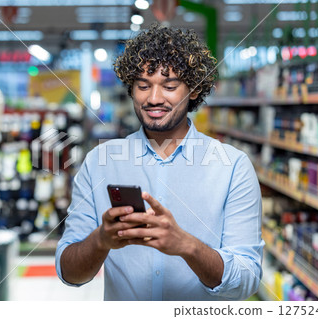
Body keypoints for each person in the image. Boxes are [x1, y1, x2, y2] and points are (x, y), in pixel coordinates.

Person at [56, 23, 264, 301]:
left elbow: (247, 279)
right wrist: (100, 241)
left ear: (193, 90)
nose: (154, 98)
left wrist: (187, 246)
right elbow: (70, 273)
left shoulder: (233, 167)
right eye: (143, 85)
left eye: (169, 86)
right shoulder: (100, 162)